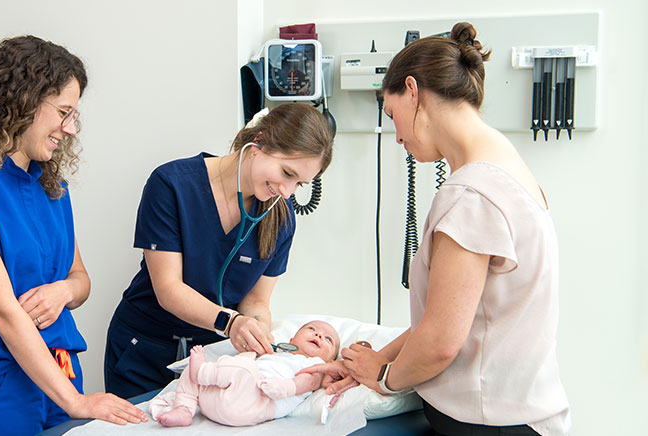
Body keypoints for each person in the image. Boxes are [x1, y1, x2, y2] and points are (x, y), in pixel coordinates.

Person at [300, 22, 570, 435]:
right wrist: (370, 361)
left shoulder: (472, 195)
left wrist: (384, 376)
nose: (396, 137)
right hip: (515, 412)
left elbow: (442, 341)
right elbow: (456, 317)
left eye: (392, 116)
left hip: (490, 423)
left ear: (413, 91)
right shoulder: (506, 167)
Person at [0, 35, 147, 435]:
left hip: (59, 376)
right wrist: (76, 402)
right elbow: (3, 312)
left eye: (75, 116)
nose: (70, 129)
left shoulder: (51, 189)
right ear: (22, 100)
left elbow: (80, 280)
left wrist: (63, 292)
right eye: (63, 112)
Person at [104, 103, 334, 399]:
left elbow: (256, 300)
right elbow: (168, 289)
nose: (288, 191)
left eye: (298, 183)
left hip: (213, 359)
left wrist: (256, 329)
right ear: (259, 143)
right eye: (286, 172)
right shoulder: (171, 184)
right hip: (143, 349)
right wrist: (231, 322)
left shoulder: (282, 217)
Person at [152, 320, 340, 427]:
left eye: (328, 339)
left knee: (242, 370)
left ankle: (202, 372)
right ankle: (184, 409)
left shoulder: (315, 365)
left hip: (255, 402)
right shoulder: (275, 352)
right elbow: (247, 358)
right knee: (189, 371)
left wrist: (286, 388)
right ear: (291, 339)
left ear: (330, 361)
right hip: (218, 398)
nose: (318, 336)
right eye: (312, 329)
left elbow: (309, 382)